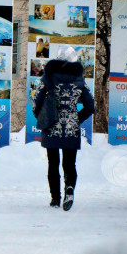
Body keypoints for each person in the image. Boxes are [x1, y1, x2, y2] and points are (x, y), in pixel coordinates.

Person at [33, 45, 95, 211]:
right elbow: (91, 106)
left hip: (51, 125)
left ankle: (55, 199)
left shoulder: (48, 78)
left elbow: (35, 102)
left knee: (52, 163)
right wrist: (76, 119)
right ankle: (70, 189)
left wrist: (43, 117)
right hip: (71, 127)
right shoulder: (80, 80)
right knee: (70, 164)